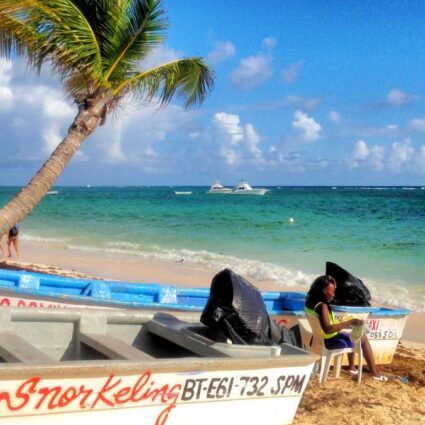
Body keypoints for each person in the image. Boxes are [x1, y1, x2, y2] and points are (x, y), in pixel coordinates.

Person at [305, 275, 388, 382]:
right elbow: (328, 329)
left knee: (353, 332)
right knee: (362, 338)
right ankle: (375, 374)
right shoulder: (322, 306)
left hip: (318, 338)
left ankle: (352, 368)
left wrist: (345, 324)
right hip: (329, 340)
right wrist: (349, 322)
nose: (334, 295)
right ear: (324, 290)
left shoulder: (310, 302)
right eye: (332, 292)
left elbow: (325, 324)